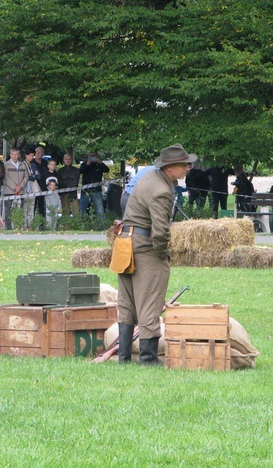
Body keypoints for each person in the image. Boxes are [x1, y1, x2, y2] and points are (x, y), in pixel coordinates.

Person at [117, 143, 197, 366]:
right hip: (144, 248)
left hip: (125, 244)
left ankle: (123, 357)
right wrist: (163, 254)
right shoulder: (162, 190)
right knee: (150, 301)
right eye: (184, 165)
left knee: (127, 302)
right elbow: (161, 232)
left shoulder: (149, 177)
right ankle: (148, 358)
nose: (188, 168)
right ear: (170, 167)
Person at [2, 147, 27, 230]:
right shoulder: (5, 165)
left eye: (16, 154)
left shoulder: (22, 165)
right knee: (9, 211)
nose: (15, 156)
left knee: (20, 210)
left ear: (19, 155)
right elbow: (6, 178)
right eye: (13, 154)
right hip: (9, 191)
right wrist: (14, 187)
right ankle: (8, 228)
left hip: (21, 191)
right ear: (10, 155)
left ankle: (18, 226)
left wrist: (21, 186)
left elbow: (26, 177)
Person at [79, 151, 109, 217]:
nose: (93, 157)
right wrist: (87, 164)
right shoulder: (84, 163)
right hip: (85, 191)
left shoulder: (99, 165)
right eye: (91, 156)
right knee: (82, 210)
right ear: (88, 156)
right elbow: (80, 171)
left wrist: (100, 163)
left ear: (97, 156)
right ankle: (81, 225)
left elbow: (107, 170)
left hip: (97, 190)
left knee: (100, 210)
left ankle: (102, 226)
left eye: (94, 156)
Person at [32, 146, 48, 218]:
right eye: (36, 152)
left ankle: (42, 224)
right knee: (33, 207)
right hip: (33, 188)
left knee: (42, 207)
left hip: (43, 187)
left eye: (39, 152)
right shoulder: (31, 162)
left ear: (43, 154)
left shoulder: (45, 163)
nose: (37, 154)